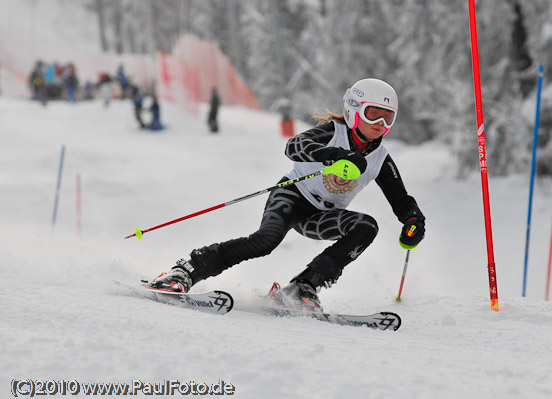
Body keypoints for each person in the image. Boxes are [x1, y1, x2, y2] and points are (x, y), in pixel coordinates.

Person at [148, 78, 426, 312]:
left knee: (366, 227)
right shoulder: (334, 132)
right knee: (265, 241)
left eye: (388, 117)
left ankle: (303, 287)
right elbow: (294, 146)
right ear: (354, 111)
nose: (380, 123)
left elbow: (400, 199)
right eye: (372, 114)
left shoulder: (380, 157)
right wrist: (332, 155)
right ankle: (186, 270)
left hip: (323, 216)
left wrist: (413, 219)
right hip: (292, 197)